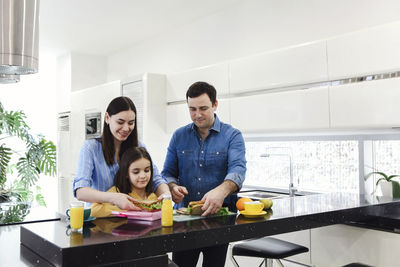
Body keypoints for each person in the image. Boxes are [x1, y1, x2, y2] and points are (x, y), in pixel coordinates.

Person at [162, 81, 247, 267]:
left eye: (203, 108)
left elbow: (238, 169)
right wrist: (173, 187)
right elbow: (167, 173)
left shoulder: (232, 136)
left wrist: (222, 191)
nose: (197, 114)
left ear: (215, 105)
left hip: (220, 221)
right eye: (192, 109)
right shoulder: (179, 136)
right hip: (184, 222)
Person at [73, 96, 169, 210]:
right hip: (101, 219)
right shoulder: (91, 148)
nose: (126, 128)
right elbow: (81, 191)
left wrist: (165, 195)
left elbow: (156, 180)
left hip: (134, 218)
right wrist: (114, 198)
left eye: (131, 123)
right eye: (120, 122)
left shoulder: (139, 146)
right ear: (107, 118)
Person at [91, 147, 158, 217]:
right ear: (126, 173)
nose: (143, 176)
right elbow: (94, 210)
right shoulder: (117, 192)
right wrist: (125, 210)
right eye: (136, 172)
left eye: (146, 170)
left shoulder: (153, 197)